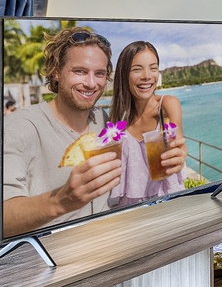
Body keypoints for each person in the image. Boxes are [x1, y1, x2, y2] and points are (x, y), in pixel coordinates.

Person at [2, 27, 122, 237]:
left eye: (100, 73)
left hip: (111, 245)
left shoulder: (104, 120)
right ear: (56, 72)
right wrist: (61, 201)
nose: (91, 83)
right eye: (80, 71)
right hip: (54, 262)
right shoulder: (18, 127)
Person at [107, 41, 188, 204]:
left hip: (167, 201)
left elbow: (178, 141)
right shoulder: (118, 119)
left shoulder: (167, 104)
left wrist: (179, 156)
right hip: (130, 208)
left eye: (153, 67)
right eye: (137, 69)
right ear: (124, 74)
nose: (147, 76)